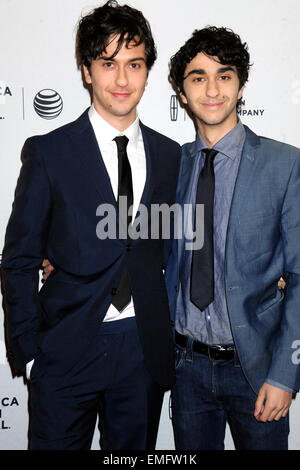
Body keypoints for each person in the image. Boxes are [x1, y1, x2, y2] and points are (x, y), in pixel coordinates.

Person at [1, 0, 181, 450]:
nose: (122, 79)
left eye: (134, 64)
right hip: (64, 348)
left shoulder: (171, 155)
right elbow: (19, 258)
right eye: (108, 63)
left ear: (147, 71)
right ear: (86, 70)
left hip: (141, 346)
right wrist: (29, 352)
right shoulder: (49, 153)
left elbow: (178, 246)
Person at [165, 26, 300, 450]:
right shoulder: (171, 166)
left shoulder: (285, 164)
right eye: (197, 77)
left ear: (240, 86)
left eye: (224, 75)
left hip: (256, 369)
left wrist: (284, 374)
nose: (212, 89)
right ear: (182, 93)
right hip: (185, 368)